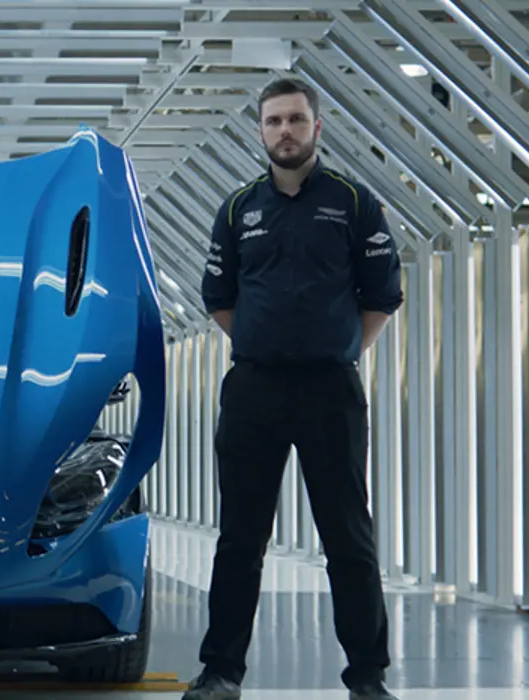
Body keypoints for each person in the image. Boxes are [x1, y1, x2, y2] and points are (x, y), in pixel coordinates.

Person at [181, 77, 403, 700]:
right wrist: (263, 344)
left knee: (348, 539)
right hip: (254, 391)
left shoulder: (356, 204)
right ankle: (221, 671)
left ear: (316, 128)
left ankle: (367, 677)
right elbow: (218, 299)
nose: (285, 131)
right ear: (260, 131)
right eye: (274, 120)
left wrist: (341, 349)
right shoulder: (238, 209)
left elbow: (382, 292)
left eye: (296, 120)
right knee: (240, 538)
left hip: (330, 391)